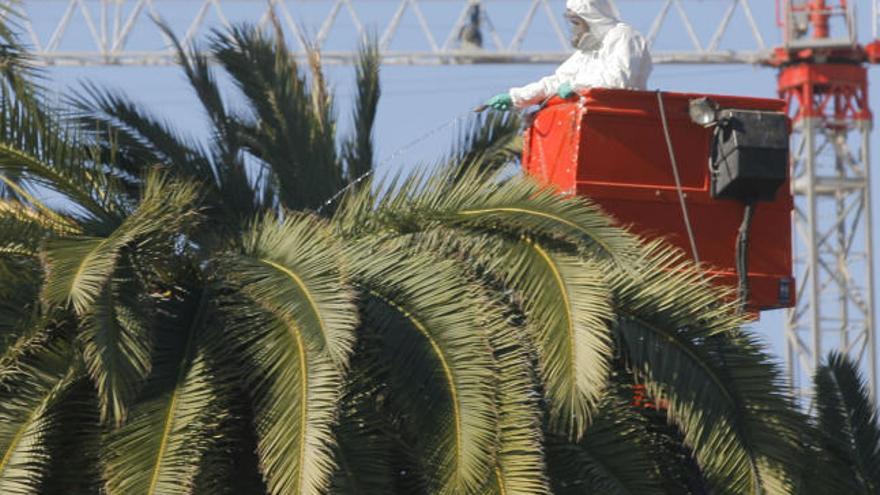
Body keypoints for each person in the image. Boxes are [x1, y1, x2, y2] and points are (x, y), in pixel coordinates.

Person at [484, 0, 652, 111]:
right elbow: (558, 81)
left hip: (621, 116)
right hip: (592, 116)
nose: (574, 29)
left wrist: (576, 86)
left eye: (576, 22)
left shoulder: (623, 35)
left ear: (592, 19)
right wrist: (517, 97)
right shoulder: (588, 51)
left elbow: (620, 79)